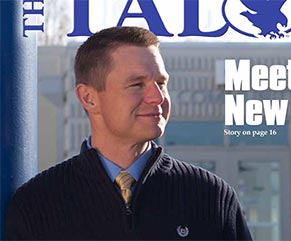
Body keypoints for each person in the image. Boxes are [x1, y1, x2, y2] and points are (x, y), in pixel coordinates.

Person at [4, 26, 252, 240]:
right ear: (89, 98)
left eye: (161, 83)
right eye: (137, 84)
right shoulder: (38, 204)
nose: (158, 97)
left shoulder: (211, 198)